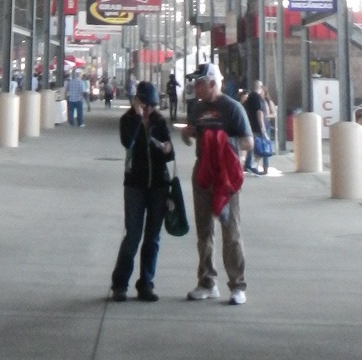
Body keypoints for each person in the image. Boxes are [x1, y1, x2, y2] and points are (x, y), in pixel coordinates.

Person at [182, 62, 252, 305]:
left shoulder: (232, 109)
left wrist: (223, 142)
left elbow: (248, 142)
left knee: (231, 231)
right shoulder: (197, 108)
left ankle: (237, 285)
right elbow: (190, 133)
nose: (196, 87)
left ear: (212, 83)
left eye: (199, 83)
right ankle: (207, 281)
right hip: (203, 173)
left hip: (225, 177)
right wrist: (187, 135)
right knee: (204, 232)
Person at [109, 81, 173, 303]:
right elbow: (127, 141)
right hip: (134, 185)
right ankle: (120, 284)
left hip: (158, 185)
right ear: (137, 102)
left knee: (152, 237)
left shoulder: (159, 122)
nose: (148, 110)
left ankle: (146, 283)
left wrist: (167, 149)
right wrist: (137, 117)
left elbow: (169, 154)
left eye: (151, 106)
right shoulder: (127, 120)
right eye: (144, 105)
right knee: (133, 235)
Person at [244, 79, 271, 175]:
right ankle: (257, 166)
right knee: (262, 147)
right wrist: (262, 128)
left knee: (254, 146)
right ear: (261, 87)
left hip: (252, 125)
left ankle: (249, 164)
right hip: (258, 127)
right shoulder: (257, 98)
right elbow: (259, 112)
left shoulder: (250, 97)